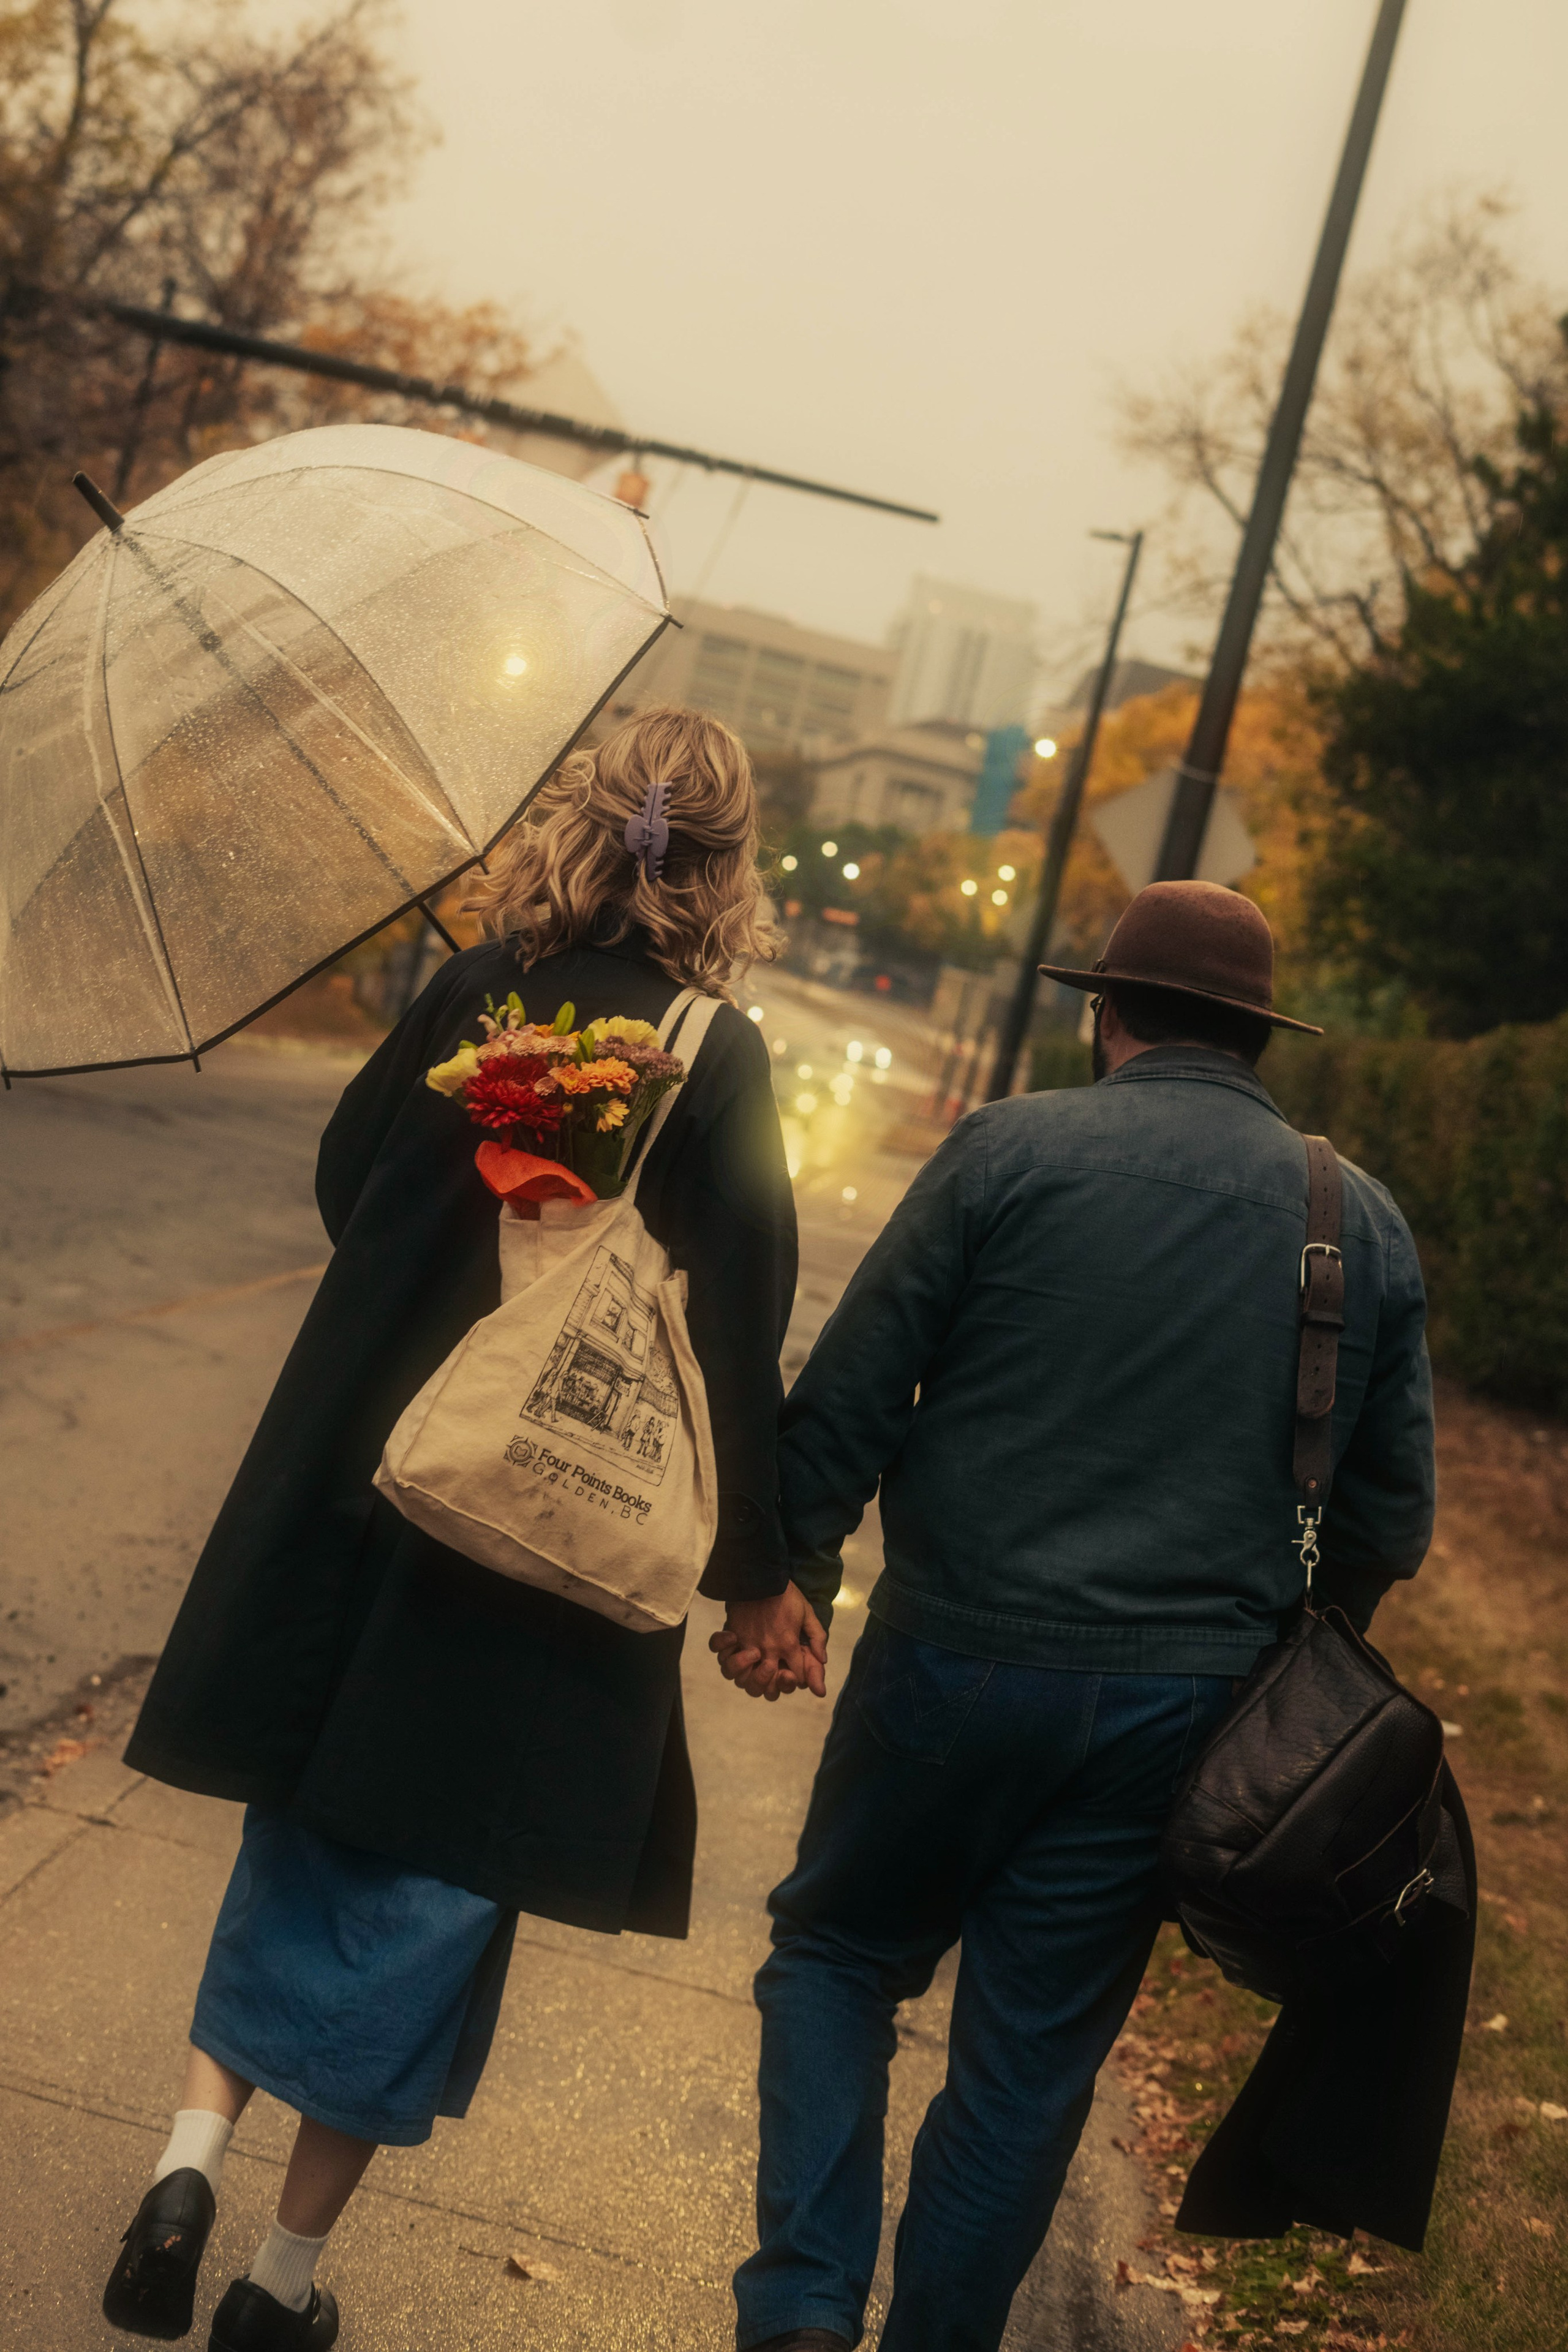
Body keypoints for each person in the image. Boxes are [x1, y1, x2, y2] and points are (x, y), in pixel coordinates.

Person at [104, 706, 817, 2352]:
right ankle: (281, 2289)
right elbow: (741, 1332)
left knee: (303, 1829)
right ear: (722, 865)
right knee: (434, 1885)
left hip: (362, 1490)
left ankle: (186, 2164)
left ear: (584, 822)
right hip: (544, 1536)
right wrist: (760, 1568)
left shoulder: (471, 992)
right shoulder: (717, 1055)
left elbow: (352, 1187)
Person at [715, 881, 1437, 2352]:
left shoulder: (1005, 1150)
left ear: (1101, 1012)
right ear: (1256, 1040)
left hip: (948, 1662)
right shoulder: (1352, 1224)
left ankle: (797, 2312)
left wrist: (787, 1574)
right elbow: (1384, 1521)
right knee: (1026, 2069)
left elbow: (852, 1390)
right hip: (1175, 1720)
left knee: (840, 1957)